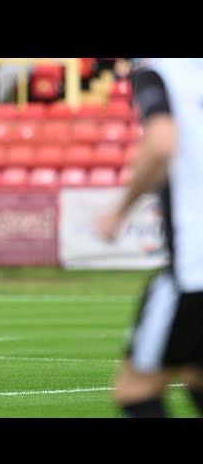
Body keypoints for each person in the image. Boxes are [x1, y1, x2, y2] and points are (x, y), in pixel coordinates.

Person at [96, 58, 203, 418]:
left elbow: (160, 143)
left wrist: (118, 211)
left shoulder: (159, 73)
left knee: (135, 391)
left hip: (193, 270)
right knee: (196, 376)